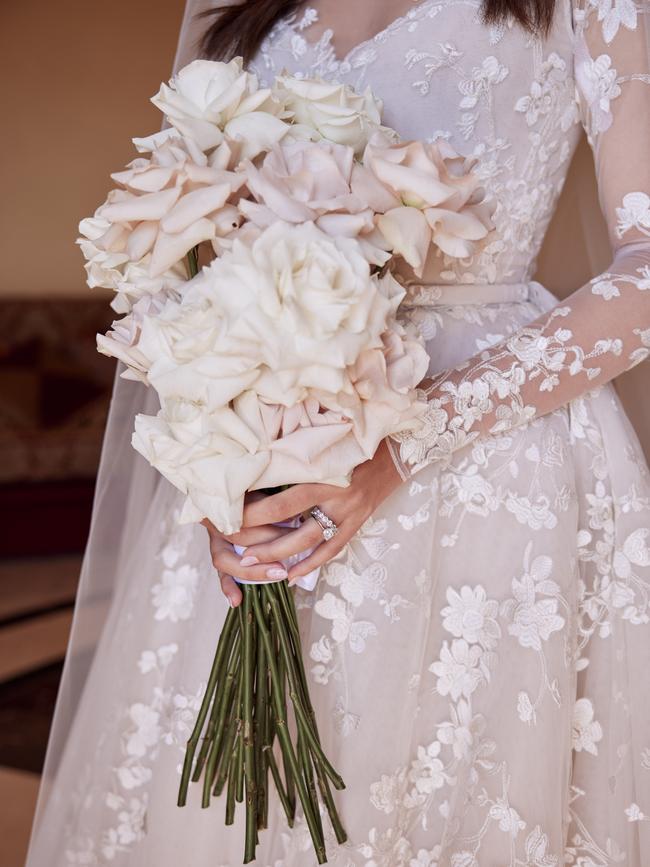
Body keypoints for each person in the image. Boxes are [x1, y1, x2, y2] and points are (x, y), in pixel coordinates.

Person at [26, 0, 650, 864]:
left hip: (492, 473)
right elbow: (186, 248)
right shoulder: (228, 7)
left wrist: (412, 436)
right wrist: (221, 456)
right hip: (271, 452)